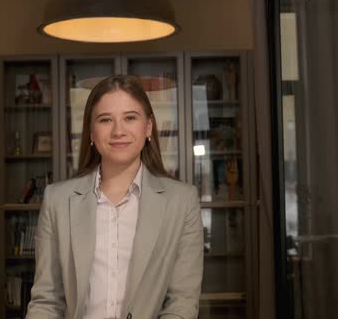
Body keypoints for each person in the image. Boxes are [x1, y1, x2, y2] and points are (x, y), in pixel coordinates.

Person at [26, 75, 204, 319]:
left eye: (130, 118)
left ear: (149, 126)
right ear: (90, 131)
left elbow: (181, 303)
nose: (118, 131)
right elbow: (46, 301)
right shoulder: (57, 200)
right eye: (105, 119)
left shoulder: (182, 202)